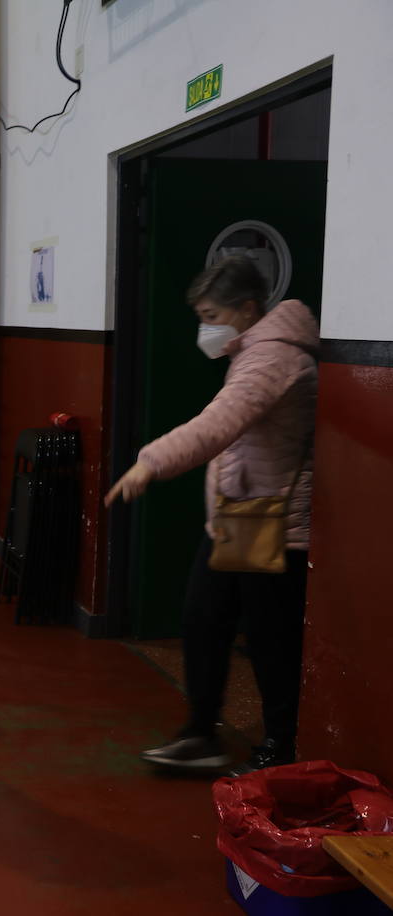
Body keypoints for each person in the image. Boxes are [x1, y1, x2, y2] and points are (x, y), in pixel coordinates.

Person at [105, 256, 318, 775]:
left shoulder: (272, 358)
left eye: (212, 313)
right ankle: (201, 734)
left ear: (248, 308)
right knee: (204, 622)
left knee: (271, 641)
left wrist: (149, 464)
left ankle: (278, 747)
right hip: (239, 517)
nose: (206, 326)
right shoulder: (254, 349)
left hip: (272, 524)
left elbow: (219, 423)